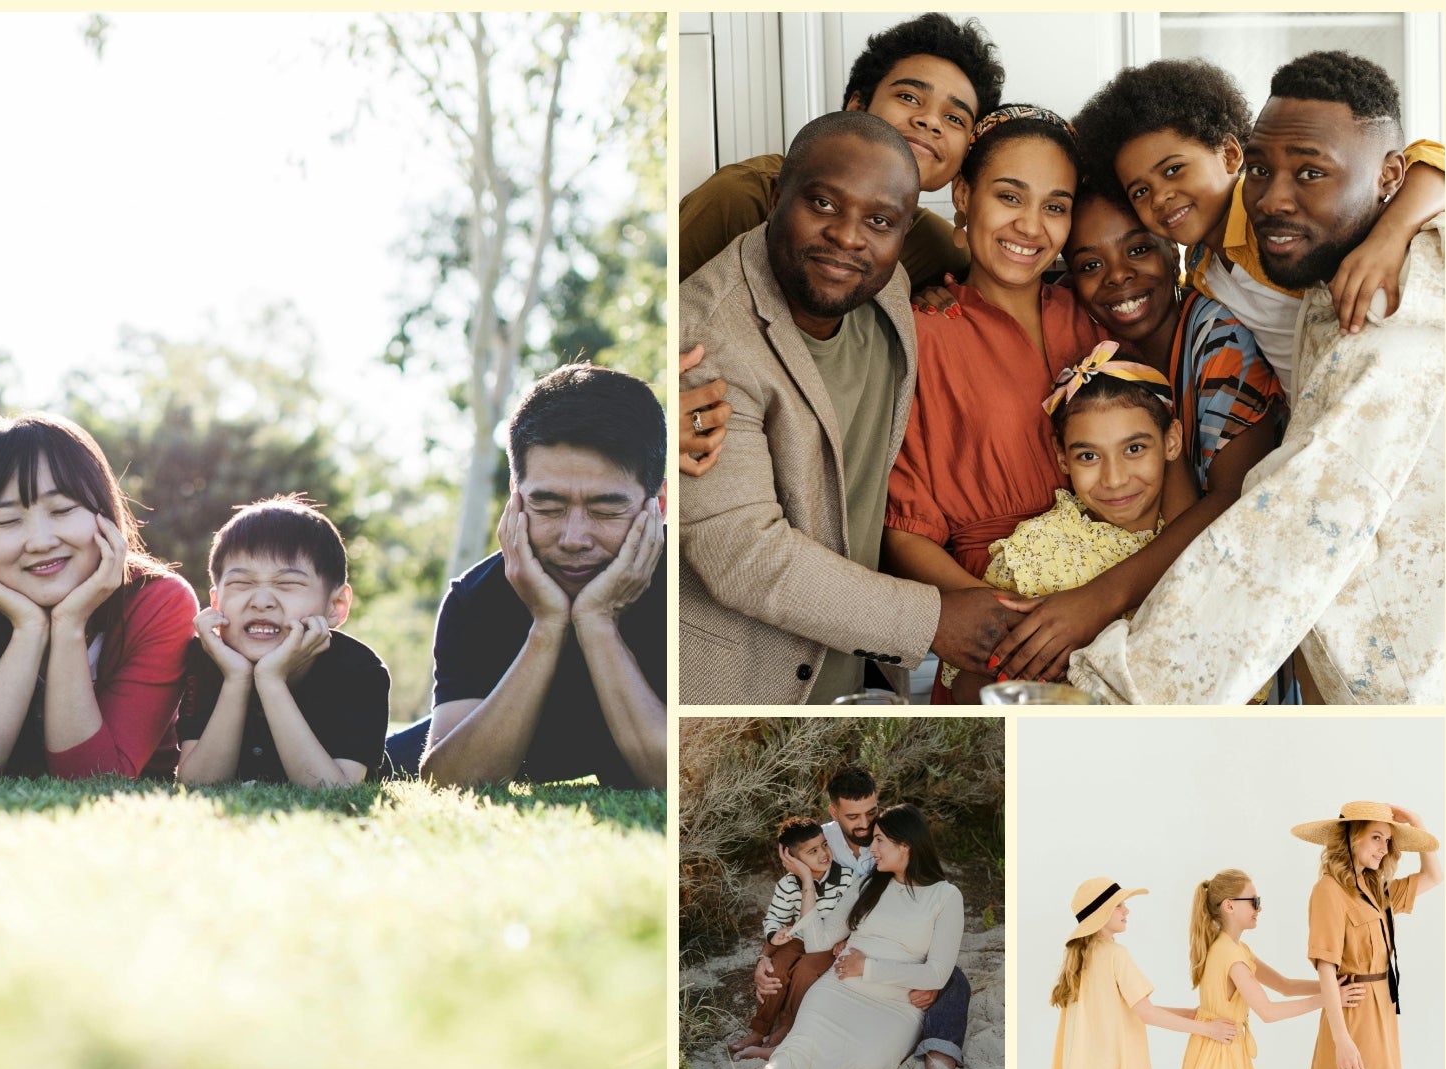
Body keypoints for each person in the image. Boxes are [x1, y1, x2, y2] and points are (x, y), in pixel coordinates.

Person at [1072, 53, 1445, 704]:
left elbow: (1296, 520)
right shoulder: (1211, 281)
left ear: (1225, 156)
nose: (1274, 197)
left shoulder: (1386, 304)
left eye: (1308, 173)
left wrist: (1399, 224)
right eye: (1264, 170)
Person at [679, 110, 1023, 705]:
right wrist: (933, 620)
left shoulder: (883, 286)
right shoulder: (705, 342)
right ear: (777, 197)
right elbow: (742, 554)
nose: (847, 236)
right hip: (743, 689)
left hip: (859, 676)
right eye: (823, 205)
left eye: (880, 220)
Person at [979, 189, 1289, 686]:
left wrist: (1099, 599)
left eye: (1138, 249)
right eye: (1090, 264)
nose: (1117, 275)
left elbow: (1237, 499)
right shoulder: (1105, 354)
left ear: (1175, 249)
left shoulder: (1218, 336)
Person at [881, 104, 1103, 702]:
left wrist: (1097, 608)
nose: (1031, 226)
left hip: (1117, 621)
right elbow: (904, 529)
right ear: (963, 194)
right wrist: (999, 620)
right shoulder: (919, 335)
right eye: (1010, 196)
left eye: (1055, 206)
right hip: (992, 633)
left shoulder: (1096, 317)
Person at [1072, 56, 1445, 390]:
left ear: (1231, 154)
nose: (1160, 197)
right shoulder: (1201, 267)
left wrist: (1389, 237)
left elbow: (1432, 158)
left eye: (1173, 170)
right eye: (1140, 191)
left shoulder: (1278, 223)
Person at [401, 363, 663, 790]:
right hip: (496, 724)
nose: (574, 538)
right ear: (515, 499)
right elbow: (447, 783)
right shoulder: (475, 599)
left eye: (605, 509)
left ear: (659, 505)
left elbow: (671, 776)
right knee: (375, 757)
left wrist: (597, 621)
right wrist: (547, 625)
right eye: (549, 505)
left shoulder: (695, 590)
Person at [0, 413, 196, 778]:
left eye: (62, 510)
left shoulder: (160, 604)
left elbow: (94, 778)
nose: (42, 541)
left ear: (104, 514)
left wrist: (69, 624)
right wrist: (28, 630)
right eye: (8, 521)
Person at [940, 345, 1189, 701]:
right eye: (1089, 456)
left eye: (1134, 449)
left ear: (1172, 441)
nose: (1115, 479)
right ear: (1062, 457)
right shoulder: (1033, 554)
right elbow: (970, 689)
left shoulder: (1194, 534)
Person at [679, 13, 1004, 285]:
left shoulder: (941, 251)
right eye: (908, 97)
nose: (930, 121)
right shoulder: (742, 196)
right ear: (857, 107)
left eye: (954, 118)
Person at [723, 805, 962, 1069]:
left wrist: (869, 967)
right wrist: (807, 881)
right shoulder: (867, 884)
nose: (871, 849)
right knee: (793, 1058)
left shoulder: (945, 897)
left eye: (879, 841)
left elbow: (937, 974)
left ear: (905, 844)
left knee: (866, 1066)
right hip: (836, 994)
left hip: (892, 1009)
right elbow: (817, 940)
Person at [175, 497, 387, 788]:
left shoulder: (359, 669)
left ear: (336, 605)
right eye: (242, 584)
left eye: (288, 584)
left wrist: (271, 679)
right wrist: (236, 679)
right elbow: (198, 784)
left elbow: (333, 790)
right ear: (216, 602)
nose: (261, 602)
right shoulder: (208, 656)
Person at [1291, 801, 1442, 1069]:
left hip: (1383, 1009)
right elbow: (1326, 967)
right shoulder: (1328, 891)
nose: (1383, 848)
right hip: (1353, 1011)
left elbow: (1434, 876)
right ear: (1351, 838)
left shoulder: (1377, 890)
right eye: (1376, 838)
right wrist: (1341, 1038)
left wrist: (1417, 822)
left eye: (1388, 841)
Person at [1179, 868, 1364, 1069]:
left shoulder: (1234, 949)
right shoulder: (1232, 956)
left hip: (1220, 1050)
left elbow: (1286, 986)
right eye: (1253, 901)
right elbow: (1268, 1011)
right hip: (1219, 1055)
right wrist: (1328, 999)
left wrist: (1330, 987)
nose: (1259, 908)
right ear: (1229, 906)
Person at [1046, 879, 1237, 1069]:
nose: (1127, 911)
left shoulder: (1080, 959)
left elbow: (1129, 1008)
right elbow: (1146, 1013)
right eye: (1120, 905)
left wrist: (1189, 1013)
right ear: (1102, 913)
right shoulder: (1116, 954)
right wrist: (1207, 1029)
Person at [728, 816, 854, 1060]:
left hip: (826, 945)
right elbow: (773, 917)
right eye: (813, 851)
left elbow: (854, 917)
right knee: (776, 970)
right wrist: (776, 936)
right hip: (798, 938)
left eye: (824, 845)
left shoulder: (846, 878)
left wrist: (847, 939)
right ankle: (759, 1028)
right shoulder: (788, 884)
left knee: (805, 971)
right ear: (794, 860)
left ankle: (788, 1024)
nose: (824, 854)